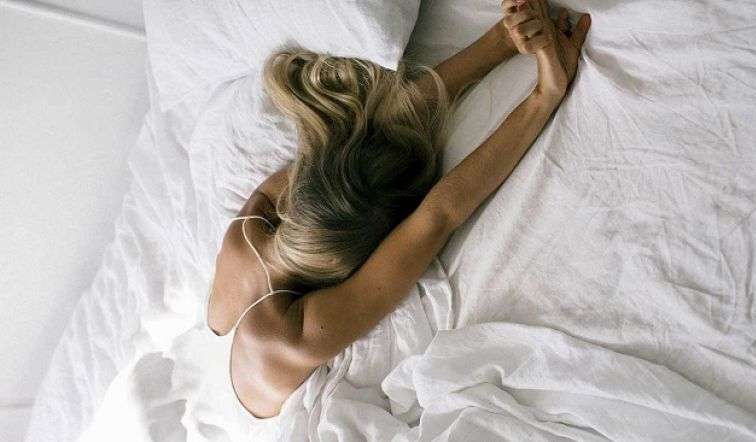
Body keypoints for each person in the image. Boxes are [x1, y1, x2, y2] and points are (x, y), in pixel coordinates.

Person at [206, 0, 591, 419]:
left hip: (215, 348)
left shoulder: (253, 221)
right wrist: (545, 96)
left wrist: (502, 40)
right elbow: (437, 215)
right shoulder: (295, 335)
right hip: (252, 422)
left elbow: (387, 130)